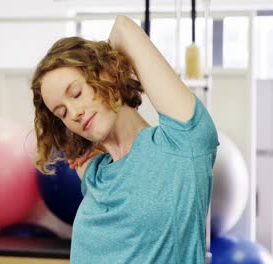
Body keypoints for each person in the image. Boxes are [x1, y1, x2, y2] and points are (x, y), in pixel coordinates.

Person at [30, 16, 219, 264]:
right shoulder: (95, 172)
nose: (74, 113)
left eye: (77, 93)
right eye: (62, 113)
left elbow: (123, 29)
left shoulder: (182, 143)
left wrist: (106, 63)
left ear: (107, 73)